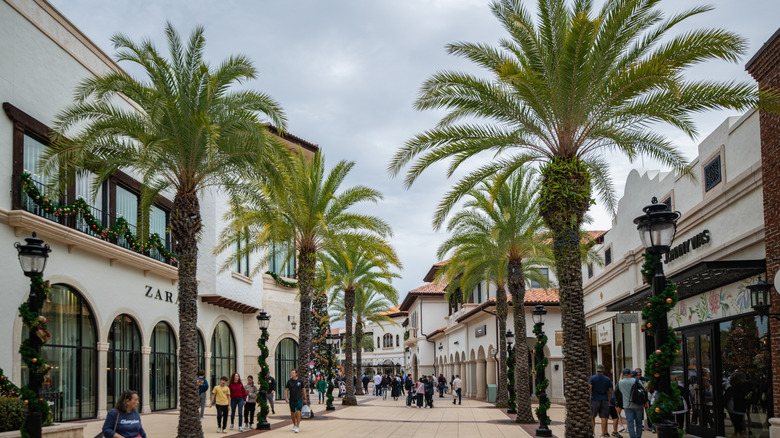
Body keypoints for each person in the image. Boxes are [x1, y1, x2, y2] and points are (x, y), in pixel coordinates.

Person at [618, 368, 648, 438]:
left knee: (630, 423)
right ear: (630, 374)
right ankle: (638, 436)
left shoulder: (620, 382)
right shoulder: (637, 380)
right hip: (638, 405)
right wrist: (646, 402)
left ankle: (632, 436)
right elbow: (644, 391)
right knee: (639, 423)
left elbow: (620, 391)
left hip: (627, 405)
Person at [589, 364, 613, 438]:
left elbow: (590, 388)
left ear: (597, 370)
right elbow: (610, 391)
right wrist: (609, 400)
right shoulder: (607, 379)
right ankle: (602, 434)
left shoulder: (592, 378)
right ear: (603, 370)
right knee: (604, 418)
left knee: (592, 417)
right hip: (604, 400)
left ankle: (593, 433)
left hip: (594, 399)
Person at [285, 369, 308, 433]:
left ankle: (297, 426)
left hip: (299, 399)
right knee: (292, 413)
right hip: (292, 399)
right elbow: (286, 390)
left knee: (298, 412)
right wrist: (286, 397)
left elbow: (303, 389)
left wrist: (305, 397)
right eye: (291, 373)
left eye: (293, 373)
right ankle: (294, 424)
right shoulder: (289, 381)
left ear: (296, 374)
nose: (292, 374)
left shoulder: (300, 381)